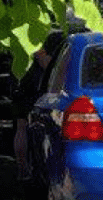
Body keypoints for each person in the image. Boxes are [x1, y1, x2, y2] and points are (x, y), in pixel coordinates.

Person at [12, 32, 65, 179]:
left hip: (23, 82)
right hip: (36, 88)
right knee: (33, 129)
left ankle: (23, 170)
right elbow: (48, 66)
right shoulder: (49, 44)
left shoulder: (24, 38)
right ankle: (31, 170)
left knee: (21, 127)